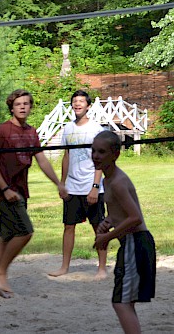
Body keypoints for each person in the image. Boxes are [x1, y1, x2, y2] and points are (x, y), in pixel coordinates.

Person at [0, 89, 66, 298]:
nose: (22, 107)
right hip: (4, 191)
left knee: (7, 236)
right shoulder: (2, 131)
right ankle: (1, 272)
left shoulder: (31, 132)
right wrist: (5, 189)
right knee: (25, 231)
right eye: (18, 104)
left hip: (21, 190)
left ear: (30, 107)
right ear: (11, 107)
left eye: (26, 104)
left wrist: (58, 183)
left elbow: (42, 160)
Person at [92, 130, 155, 334]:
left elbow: (135, 218)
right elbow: (120, 212)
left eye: (101, 152)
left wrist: (105, 238)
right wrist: (108, 222)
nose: (95, 156)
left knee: (121, 302)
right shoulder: (107, 179)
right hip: (130, 244)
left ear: (115, 154)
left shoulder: (117, 182)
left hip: (135, 243)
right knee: (124, 301)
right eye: (93, 151)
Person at [49, 90, 108, 279]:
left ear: (88, 106)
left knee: (98, 227)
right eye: (75, 101)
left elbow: (101, 160)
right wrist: (62, 183)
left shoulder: (96, 129)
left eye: (81, 101)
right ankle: (64, 267)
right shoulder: (67, 129)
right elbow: (66, 156)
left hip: (91, 186)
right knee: (68, 226)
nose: (77, 104)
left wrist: (95, 187)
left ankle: (101, 268)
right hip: (73, 187)